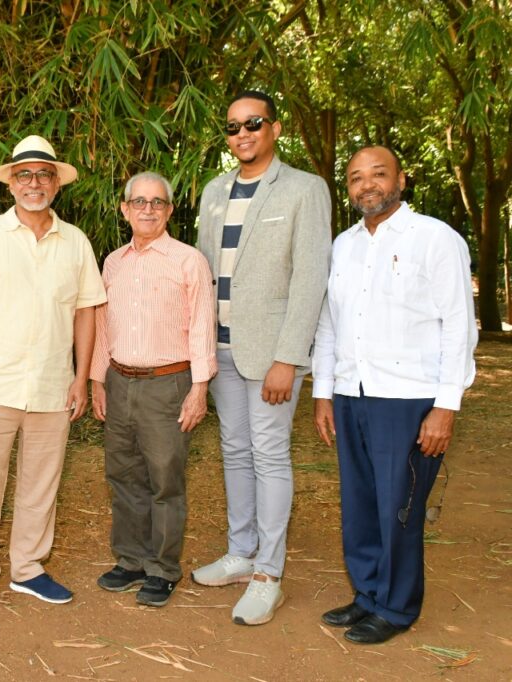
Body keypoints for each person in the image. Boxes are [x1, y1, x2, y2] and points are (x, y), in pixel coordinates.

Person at [312, 146, 477, 644]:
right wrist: (323, 392)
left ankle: (397, 607)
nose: (367, 185)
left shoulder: (435, 238)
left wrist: (446, 406)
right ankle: (367, 594)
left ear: (401, 180)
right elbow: (330, 322)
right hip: (351, 392)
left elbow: (458, 326)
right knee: (360, 502)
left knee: (398, 507)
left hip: (408, 399)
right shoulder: (344, 245)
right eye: (356, 177)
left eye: (378, 174)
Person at [0, 135, 106, 616]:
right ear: (11, 184)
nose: (34, 183)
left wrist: (81, 378)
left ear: (56, 184)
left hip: (53, 384)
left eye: (43, 174)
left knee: (41, 484)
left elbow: (85, 312)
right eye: (24, 175)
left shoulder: (75, 242)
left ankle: (29, 568)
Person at [194, 90, 332, 625]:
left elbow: (310, 278)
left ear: (275, 128)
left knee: (270, 455)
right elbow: (203, 272)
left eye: (253, 123)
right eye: (232, 127)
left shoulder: (304, 189)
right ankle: (241, 552)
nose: (242, 134)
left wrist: (289, 357)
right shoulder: (213, 191)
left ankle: (269, 574)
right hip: (222, 348)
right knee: (234, 450)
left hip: (272, 353)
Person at [90, 172, 217, 607]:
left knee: (165, 480)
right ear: (124, 209)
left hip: (168, 384)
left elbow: (202, 325)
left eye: (157, 202)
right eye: (139, 202)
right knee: (123, 476)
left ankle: (162, 568)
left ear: (169, 210)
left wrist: (199, 388)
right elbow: (103, 325)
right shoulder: (113, 262)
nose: (148, 209)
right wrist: (97, 380)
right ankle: (130, 560)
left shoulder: (188, 260)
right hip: (119, 380)